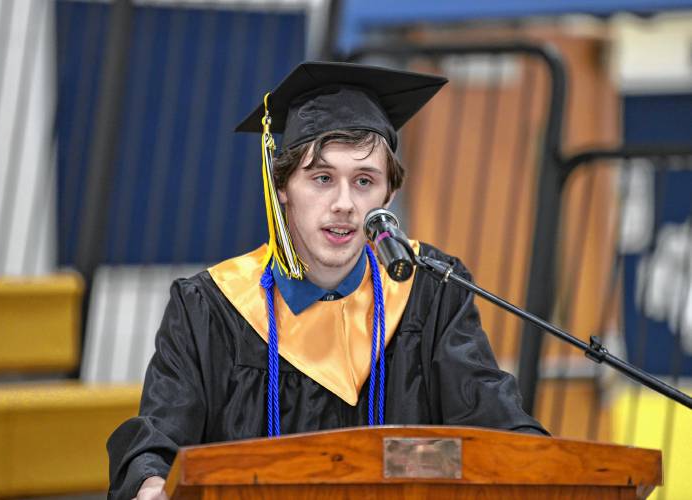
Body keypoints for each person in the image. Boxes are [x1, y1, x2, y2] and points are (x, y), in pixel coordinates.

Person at [107, 62, 547, 500]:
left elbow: (495, 423)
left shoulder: (431, 292)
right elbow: (158, 441)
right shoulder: (210, 308)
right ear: (283, 186)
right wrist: (151, 484)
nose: (344, 204)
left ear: (388, 195)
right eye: (321, 178)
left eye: (364, 181)